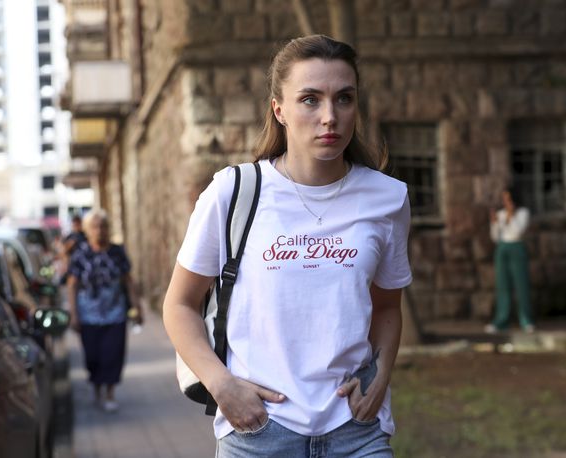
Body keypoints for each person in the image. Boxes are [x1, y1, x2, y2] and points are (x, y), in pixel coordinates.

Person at [163, 34, 412, 457]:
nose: (330, 116)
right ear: (279, 109)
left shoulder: (386, 198)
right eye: (310, 100)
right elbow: (179, 304)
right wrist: (222, 386)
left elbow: (387, 306)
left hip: (357, 432)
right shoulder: (234, 193)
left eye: (344, 99)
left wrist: (379, 378)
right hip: (259, 433)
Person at [66, 209, 143, 412]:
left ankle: (109, 393)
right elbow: (72, 285)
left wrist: (137, 307)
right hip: (88, 315)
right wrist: (73, 314)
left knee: (113, 354)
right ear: (87, 230)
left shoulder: (117, 252)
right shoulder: (80, 253)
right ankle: (97, 387)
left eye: (104, 226)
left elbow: (128, 281)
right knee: (92, 356)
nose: (100, 230)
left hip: (115, 313)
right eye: (95, 227)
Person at [485, 188, 535, 334]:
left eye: (509, 199)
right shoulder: (500, 214)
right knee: (502, 285)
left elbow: (518, 231)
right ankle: (501, 320)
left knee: (522, 284)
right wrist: (494, 223)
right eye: (504, 199)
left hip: (517, 247)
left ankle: (526, 320)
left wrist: (511, 215)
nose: (506, 202)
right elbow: (495, 237)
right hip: (503, 249)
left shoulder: (523, 213)